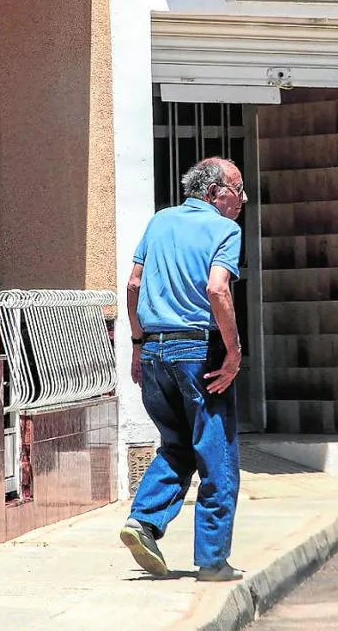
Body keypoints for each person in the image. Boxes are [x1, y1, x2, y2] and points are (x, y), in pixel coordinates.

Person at [119, 157, 248, 583]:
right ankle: (212, 561)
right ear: (215, 193)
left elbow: (134, 285)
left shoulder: (159, 221)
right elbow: (216, 288)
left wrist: (138, 345)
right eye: (237, 189)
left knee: (176, 445)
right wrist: (233, 352)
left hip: (154, 352)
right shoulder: (226, 230)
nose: (243, 199)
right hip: (198, 353)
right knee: (218, 456)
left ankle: (143, 522)